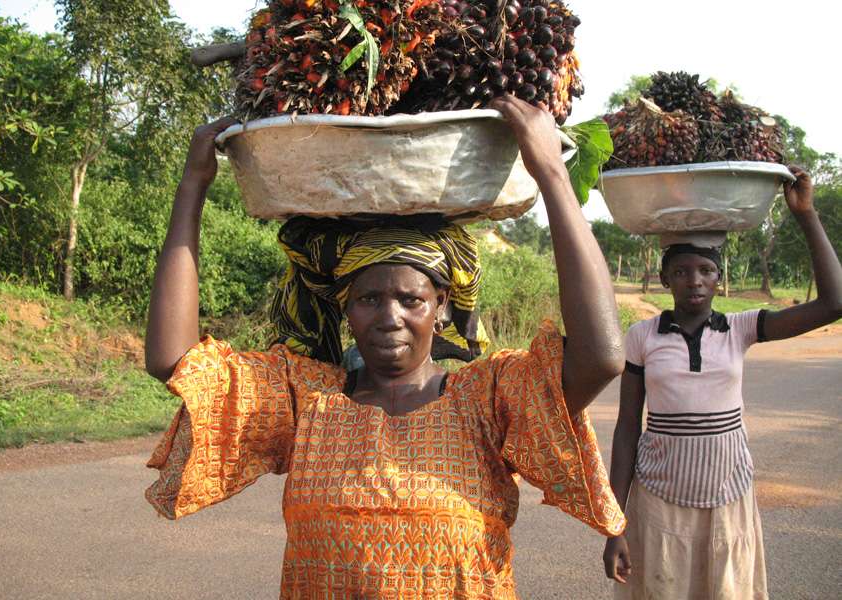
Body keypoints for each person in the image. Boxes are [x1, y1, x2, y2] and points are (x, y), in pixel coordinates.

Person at [144, 96, 627, 598]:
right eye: (369, 299)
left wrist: (550, 171)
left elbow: (602, 356)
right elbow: (173, 360)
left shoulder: (486, 398)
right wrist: (193, 187)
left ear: (441, 305)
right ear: (345, 308)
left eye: (410, 299)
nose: (389, 317)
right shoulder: (306, 400)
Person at [602, 166, 842, 599]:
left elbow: (834, 303)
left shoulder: (741, 328)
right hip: (658, 501)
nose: (694, 280)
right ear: (664, 279)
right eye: (681, 271)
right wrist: (614, 523)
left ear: (719, 280)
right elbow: (625, 429)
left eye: (705, 271)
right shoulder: (642, 337)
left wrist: (806, 214)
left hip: (728, 498)